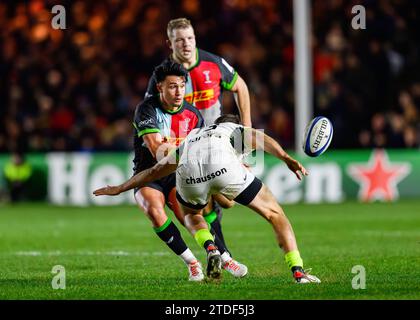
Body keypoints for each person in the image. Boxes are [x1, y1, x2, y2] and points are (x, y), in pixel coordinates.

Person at [94, 114, 321, 284]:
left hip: (188, 171)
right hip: (223, 164)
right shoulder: (233, 128)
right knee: (275, 214)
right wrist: (286, 158)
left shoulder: (192, 137)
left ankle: (210, 247)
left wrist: (121, 187)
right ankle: (298, 271)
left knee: (192, 214)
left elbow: (154, 172)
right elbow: (259, 138)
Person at [145, 17, 252, 260]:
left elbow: (241, 87)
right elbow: (152, 110)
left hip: (216, 138)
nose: (186, 44)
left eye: (190, 38)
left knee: (226, 202)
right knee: (202, 202)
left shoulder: (213, 64)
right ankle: (222, 254)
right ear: (169, 43)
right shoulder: (163, 76)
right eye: (179, 40)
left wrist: (246, 129)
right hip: (186, 145)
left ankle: (220, 251)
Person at [131, 60, 246, 282]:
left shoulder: (193, 115)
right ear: (159, 87)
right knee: (154, 209)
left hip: (179, 174)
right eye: (172, 86)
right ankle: (193, 264)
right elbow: (157, 150)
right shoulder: (146, 109)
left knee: (190, 217)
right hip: (149, 174)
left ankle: (219, 254)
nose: (178, 91)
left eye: (182, 86)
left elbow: (199, 150)